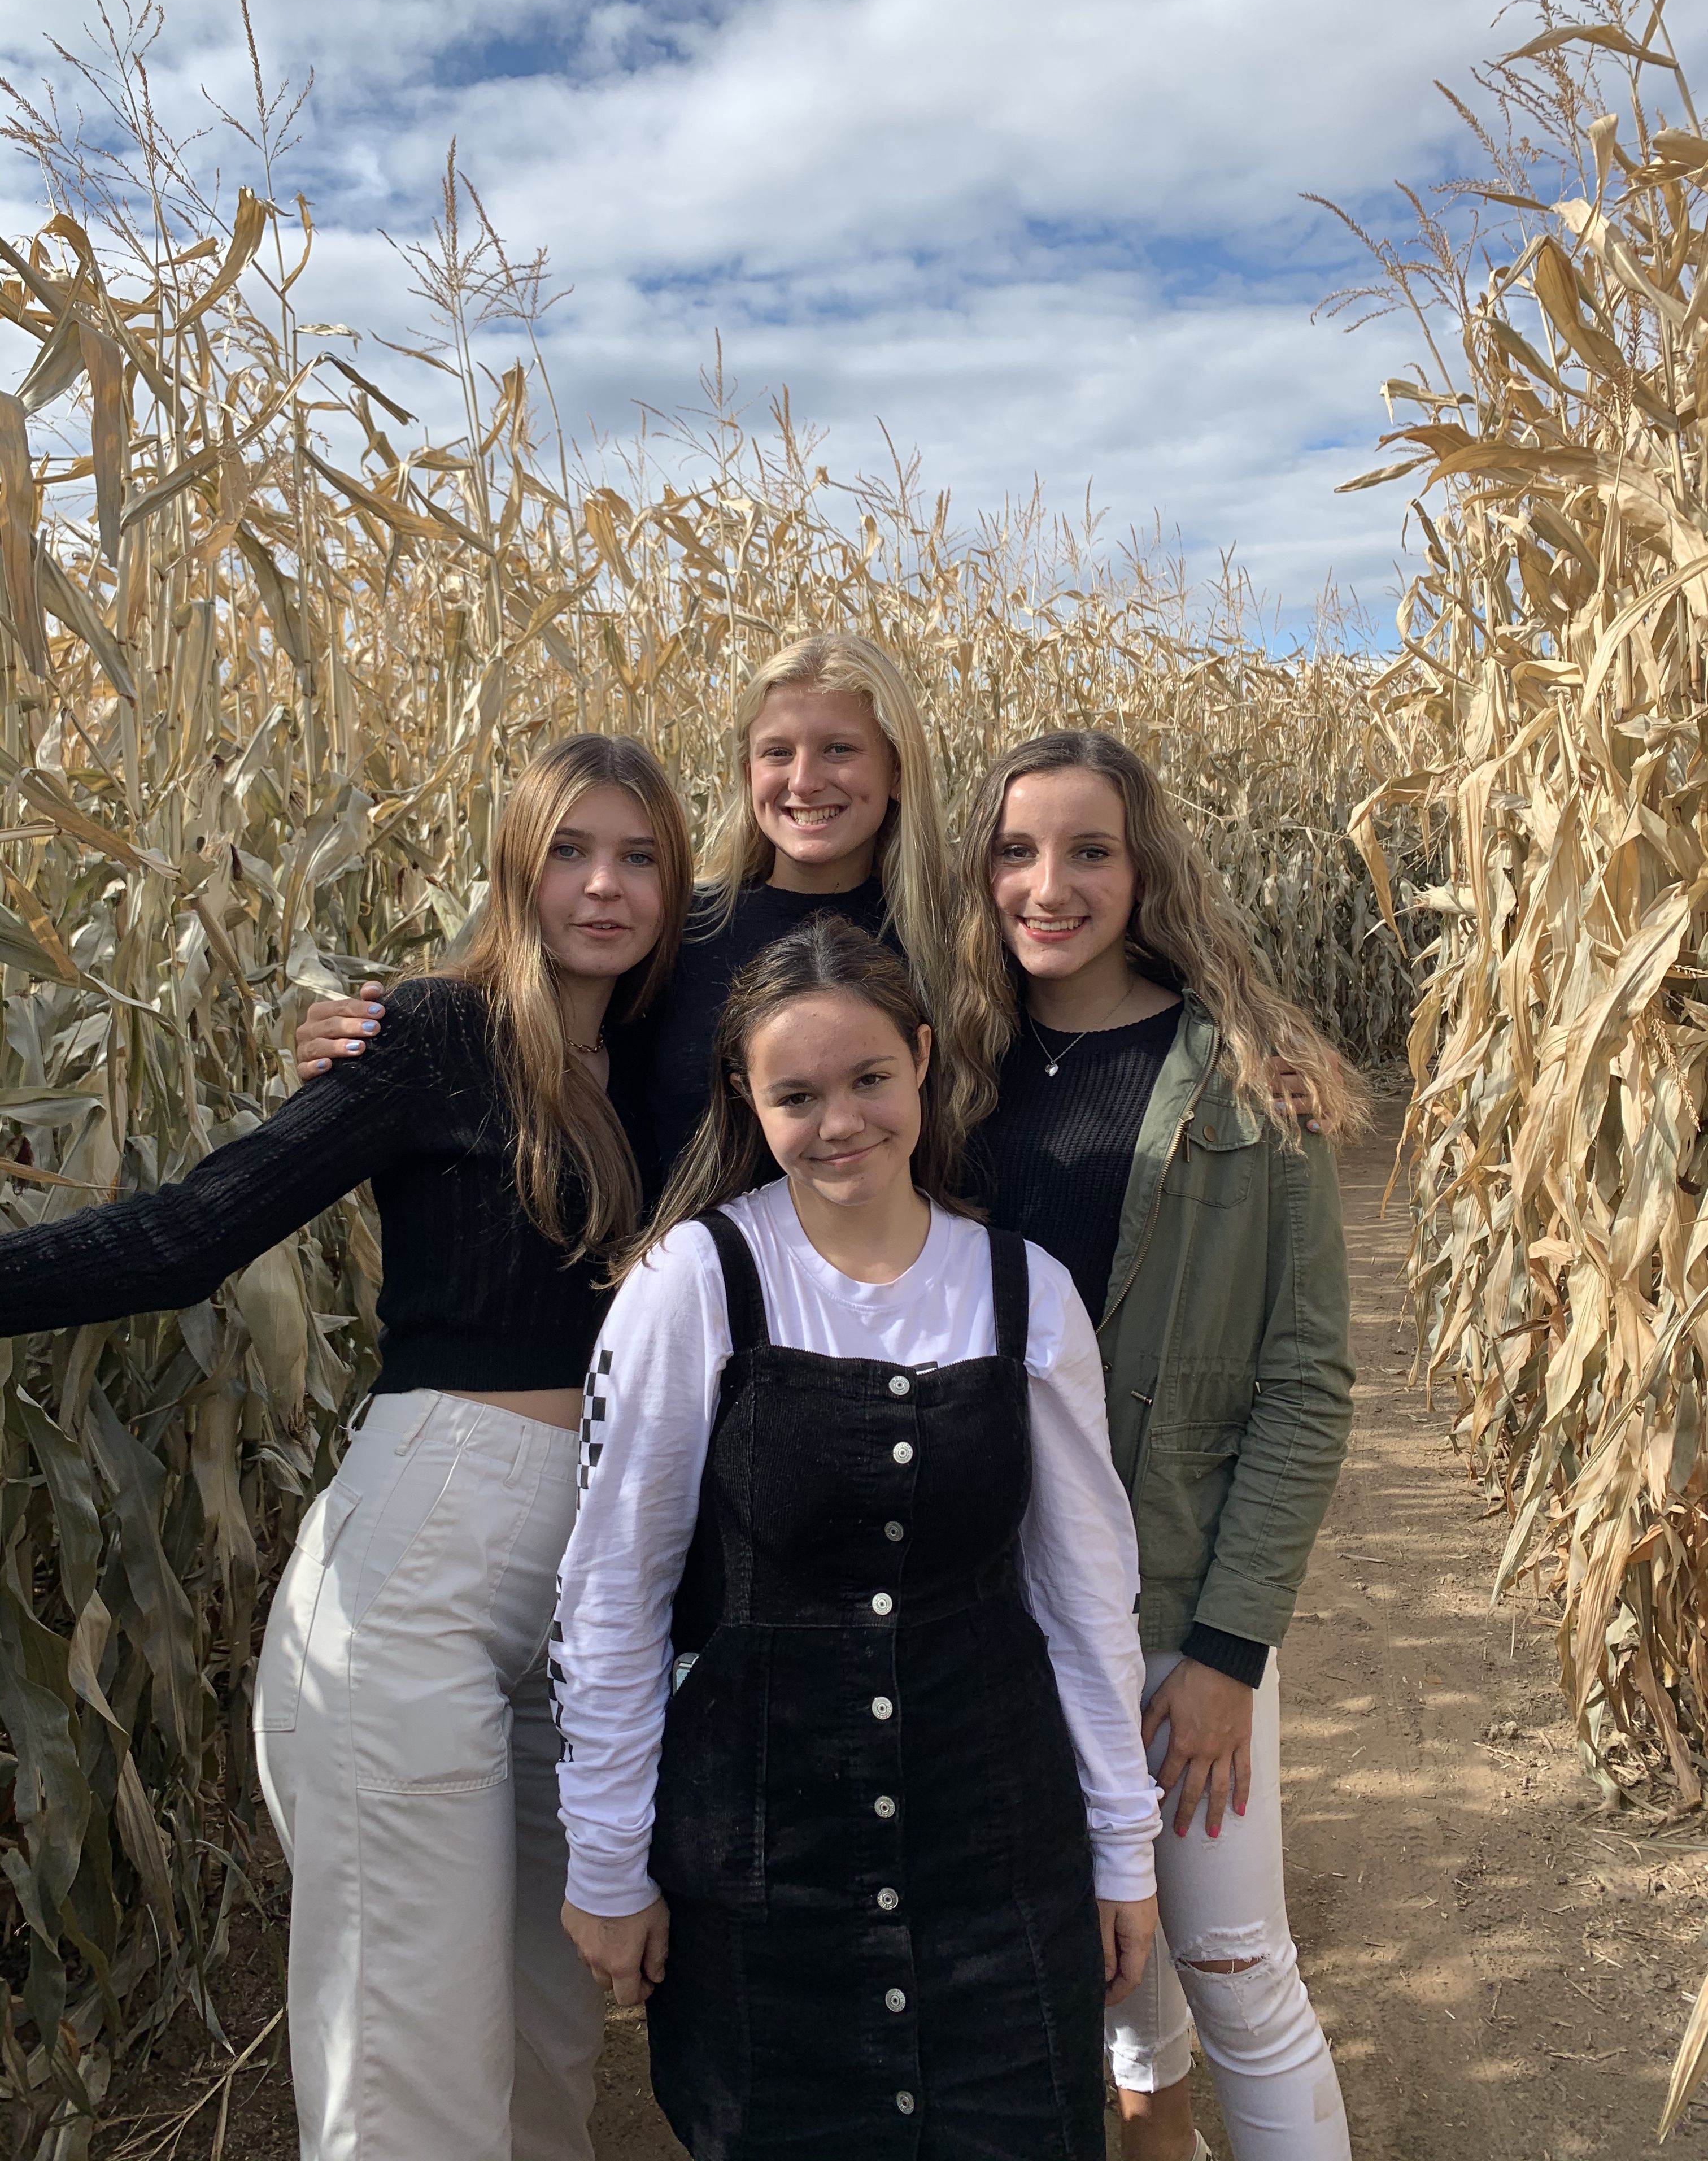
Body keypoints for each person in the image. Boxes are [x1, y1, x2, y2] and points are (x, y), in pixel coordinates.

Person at [0, 734, 694, 2161]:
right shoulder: (435, 1035)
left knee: (548, 2049)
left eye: (639, 857)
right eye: (571, 851)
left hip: (597, 1594)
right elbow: (201, 1228)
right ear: (516, 864)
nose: (605, 888)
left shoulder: (667, 1066)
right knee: (410, 2065)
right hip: (426, 1565)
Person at [551, 916, 1162, 2159]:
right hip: (770, 1865)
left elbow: (1087, 1596)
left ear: (924, 1061)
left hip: (995, 1852)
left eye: (870, 1079)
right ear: (747, 1099)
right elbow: (614, 1587)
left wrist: (1122, 1846)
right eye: (798, 1094)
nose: (842, 1123)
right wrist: (609, 1861)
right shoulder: (695, 1283)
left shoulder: (1024, 1289)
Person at [946, 728, 1363, 2161]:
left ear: (1146, 869)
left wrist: (1230, 1657)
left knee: (1239, 1970)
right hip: (992, 1609)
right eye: (1015, 849)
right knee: (1111, 1971)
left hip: (1178, 1610)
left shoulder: (1255, 1081)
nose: (1047, 884)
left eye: (1089, 851)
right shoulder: (943, 1075)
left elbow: (1309, 1384)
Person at [293, 632, 955, 1175]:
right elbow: (524, 1025)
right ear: (748, 772)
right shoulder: (677, 929)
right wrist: (377, 1048)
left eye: (839, 749)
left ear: (897, 770)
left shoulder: (954, 943)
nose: (805, 780)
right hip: (686, 1309)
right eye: (777, 752)